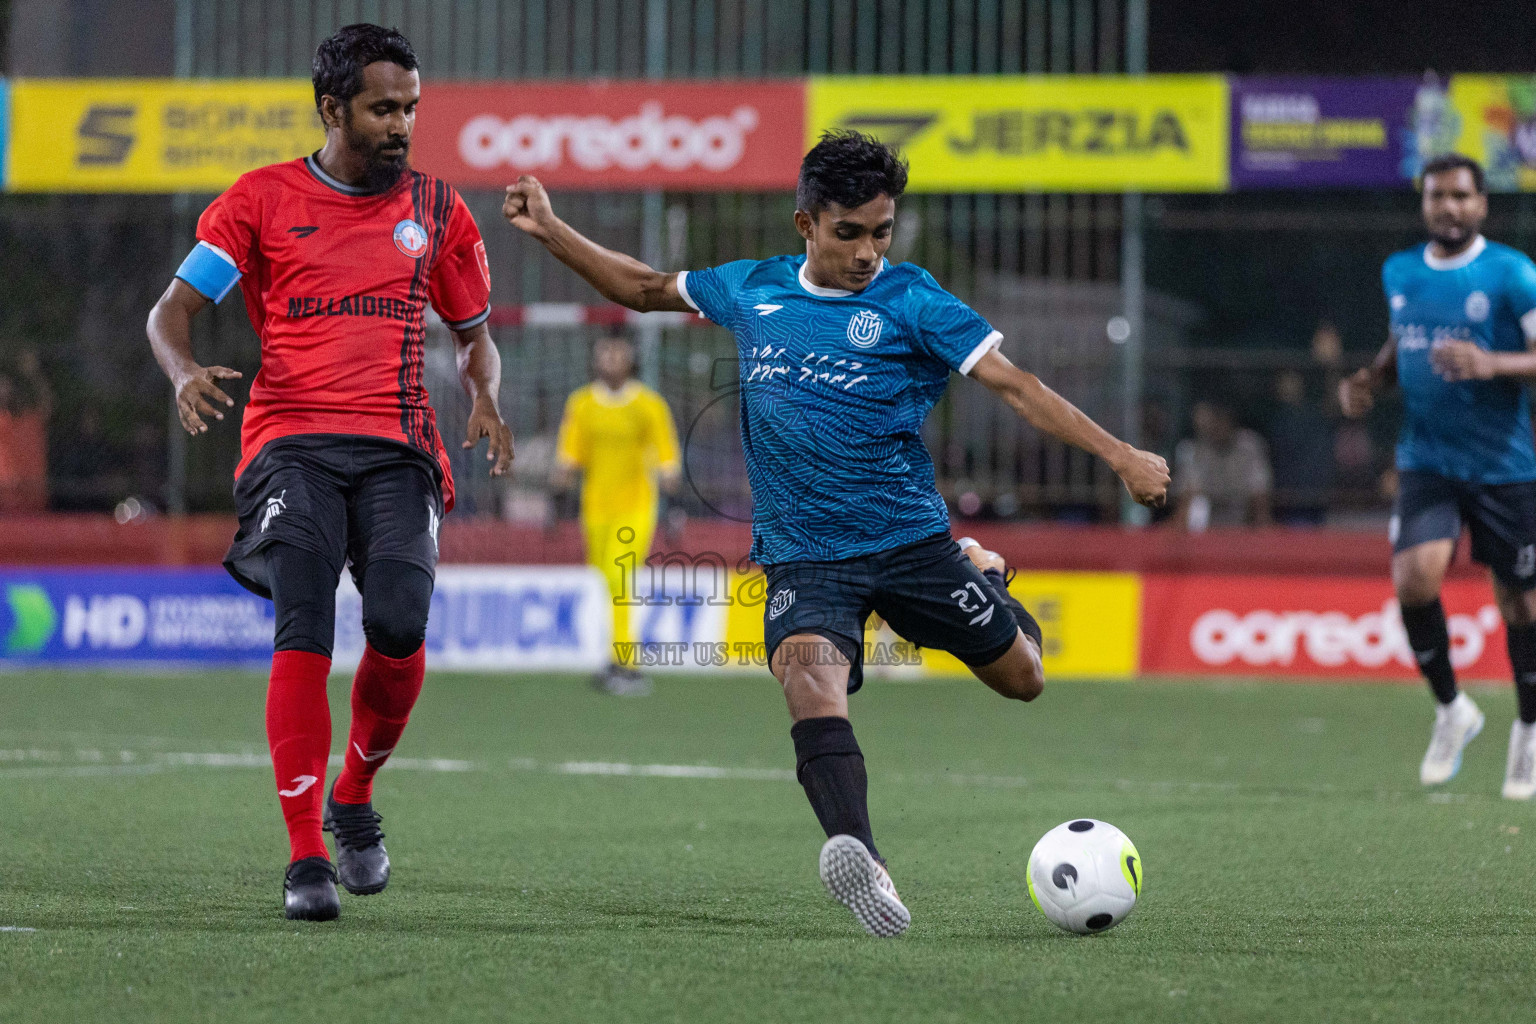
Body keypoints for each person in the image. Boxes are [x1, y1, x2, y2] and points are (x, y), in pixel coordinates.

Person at [503, 130, 1168, 936]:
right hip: (804, 559)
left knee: (1024, 677)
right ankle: (865, 860)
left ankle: (982, 573)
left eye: (880, 232)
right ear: (805, 224)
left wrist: (1121, 455)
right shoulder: (752, 289)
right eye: (848, 232)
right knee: (806, 682)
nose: (866, 252)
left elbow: (1017, 387)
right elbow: (644, 288)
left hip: (911, 545)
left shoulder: (914, 301)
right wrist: (553, 229)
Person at [145, 24, 513, 921]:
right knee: (302, 623)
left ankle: (354, 795)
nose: (402, 126)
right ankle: (306, 856)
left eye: (411, 109)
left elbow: (475, 339)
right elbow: (171, 312)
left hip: (399, 447)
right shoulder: (258, 201)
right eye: (384, 108)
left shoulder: (438, 209)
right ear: (332, 109)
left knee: (397, 620)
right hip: (292, 444)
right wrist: (186, 370)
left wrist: (487, 396)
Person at [1340, 153, 1536, 799]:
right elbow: (1404, 343)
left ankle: (1529, 732)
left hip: (1506, 468)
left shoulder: (1513, 274)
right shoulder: (1399, 270)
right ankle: (1453, 710)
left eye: (1459, 196)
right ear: (1423, 204)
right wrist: (1371, 381)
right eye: (1436, 196)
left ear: (1482, 204)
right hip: (1426, 460)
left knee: (1521, 603)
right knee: (1415, 581)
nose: (1447, 207)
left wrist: (1492, 363)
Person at [554, 332, 682, 696]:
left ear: (631, 359)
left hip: (637, 506)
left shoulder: (648, 405)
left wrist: (674, 507)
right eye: (604, 351)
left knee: (620, 578)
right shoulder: (581, 404)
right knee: (607, 579)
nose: (610, 358)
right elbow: (569, 455)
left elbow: (667, 459)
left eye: (617, 351)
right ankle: (618, 658)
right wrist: (556, 499)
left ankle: (626, 663)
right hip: (595, 509)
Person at [1172, 399, 1273, 530]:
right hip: (1205, 523)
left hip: (1243, 520)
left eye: (1222, 420)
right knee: (1194, 503)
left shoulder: (1250, 446)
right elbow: (1189, 496)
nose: (1218, 426)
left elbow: (1260, 492)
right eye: (1215, 420)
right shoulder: (1194, 449)